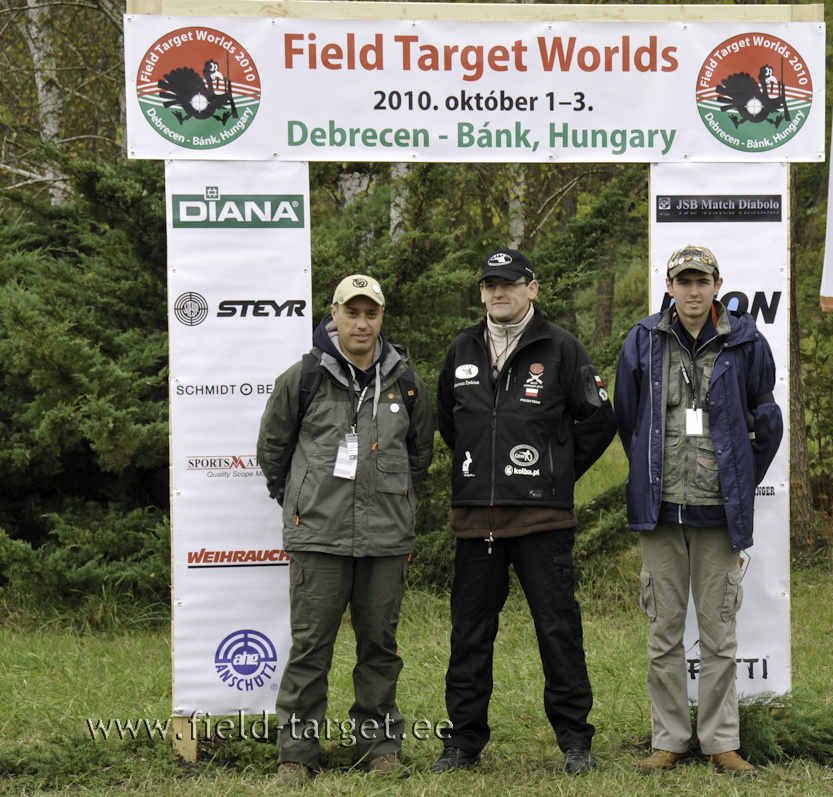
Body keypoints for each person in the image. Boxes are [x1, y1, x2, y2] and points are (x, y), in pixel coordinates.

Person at [432, 248, 617, 775]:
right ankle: (463, 744)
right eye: (490, 285)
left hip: (542, 521)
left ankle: (575, 742)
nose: (498, 293)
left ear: (531, 288)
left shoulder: (560, 348)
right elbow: (452, 423)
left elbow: (599, 420)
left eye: (509, 283)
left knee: (558, 631)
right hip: (475, 522)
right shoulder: (462, 349)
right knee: (469, 635)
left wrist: (554, 475)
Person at [257, 274, 434, 786]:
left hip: (385, 536)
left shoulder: (405, 380)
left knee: (380, 646)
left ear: (382, 318)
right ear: (333, 313)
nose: (361, 323)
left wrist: (390, 495)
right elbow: (274, 452)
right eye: (351, 312)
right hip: (319, 535)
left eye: (371, 313)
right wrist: (303, 501)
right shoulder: (304, 377)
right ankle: (296, 754)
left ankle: (378, 747)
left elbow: (419, 453)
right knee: (311, 647)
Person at [614, 245, 783, 777]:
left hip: (717, 513)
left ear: (718, 286)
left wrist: (739, 481)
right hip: (661, 512)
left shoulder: (746, 341)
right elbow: (628, 417)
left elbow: (767, 417)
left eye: (701, 281)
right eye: (682, 281)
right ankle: (669, 739)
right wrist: (648, 474)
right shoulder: (642, 340)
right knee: (663, 632)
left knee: (719, 634)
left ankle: (720, 743)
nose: (692, 290)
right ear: (668, 286)